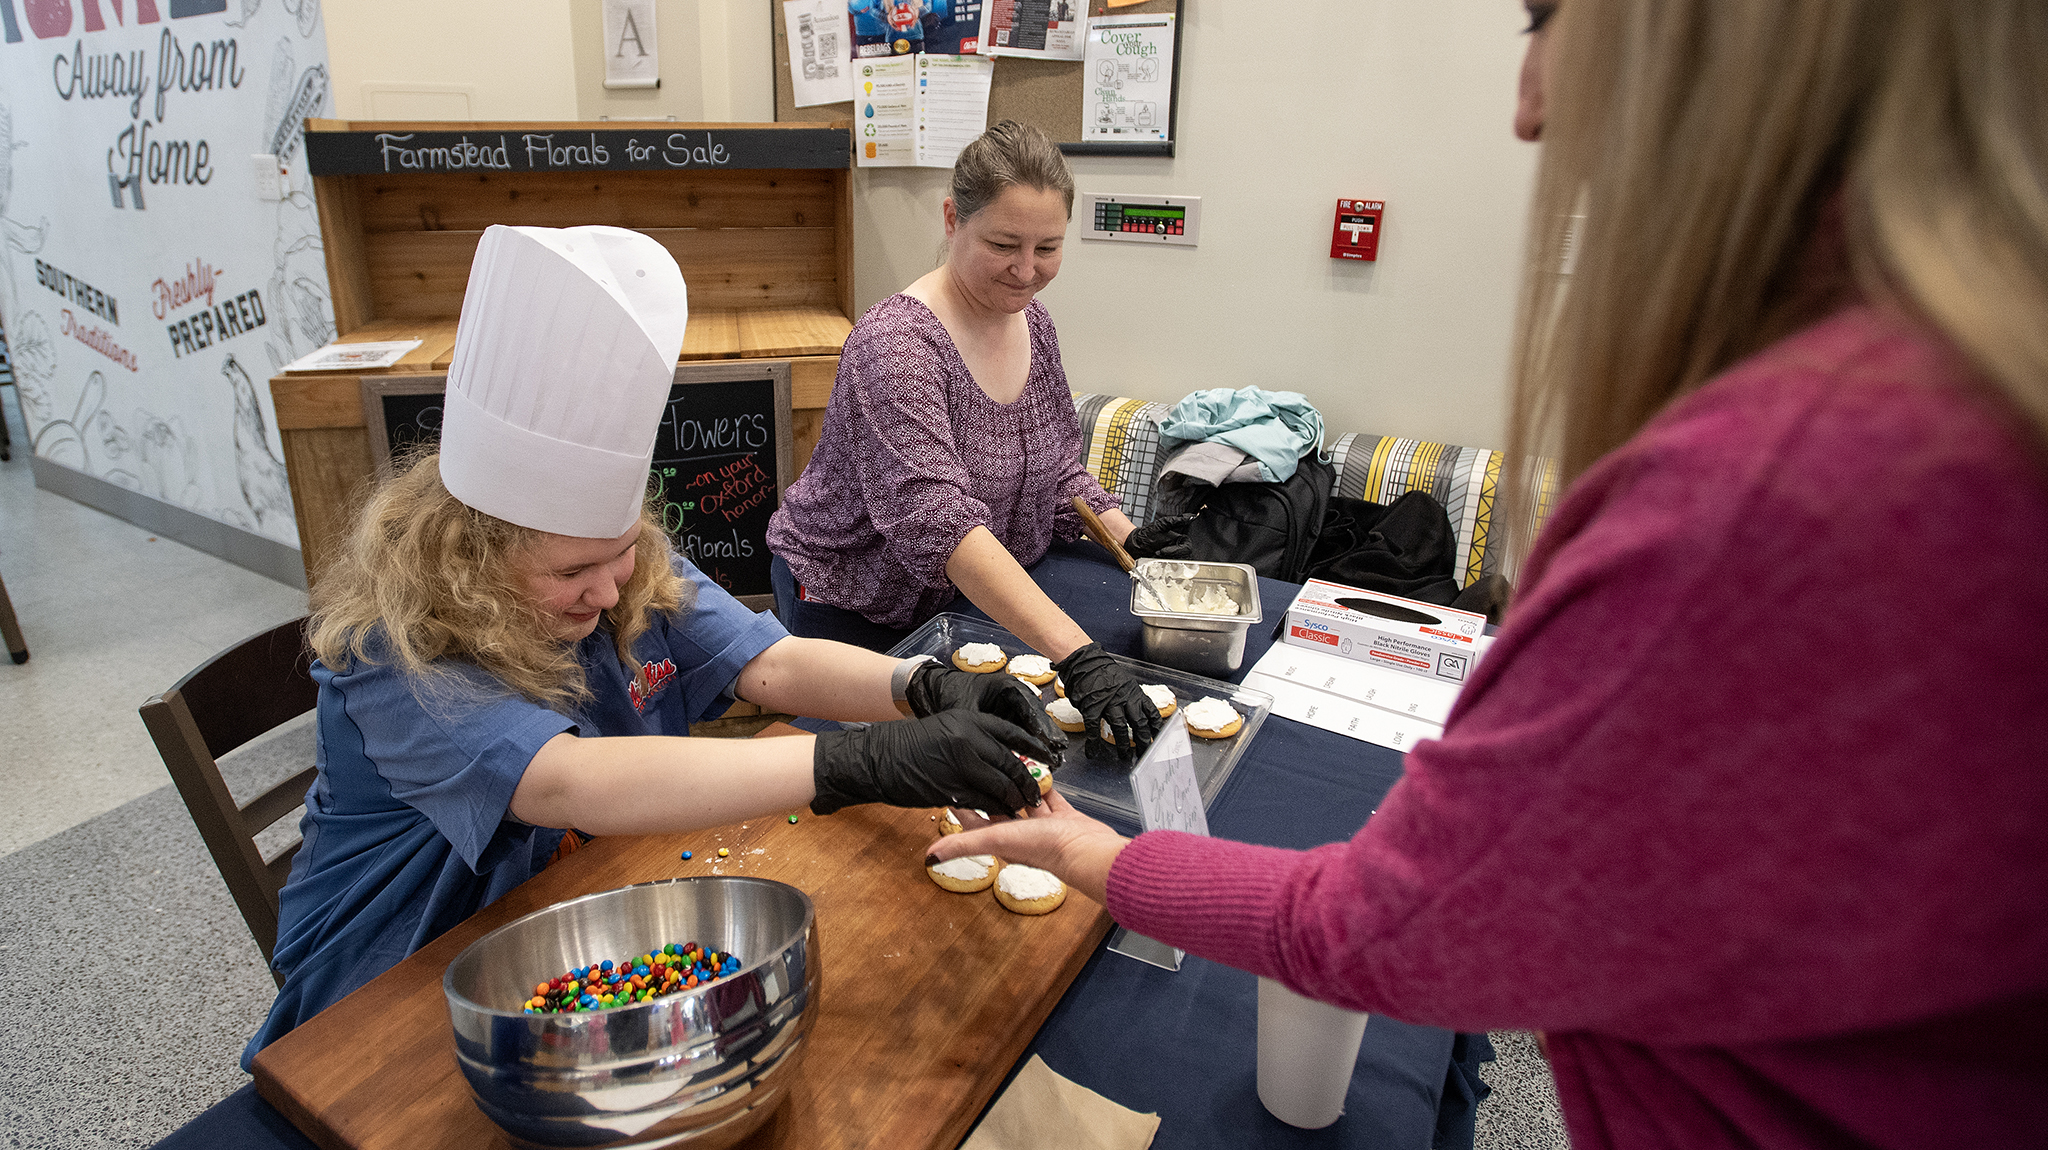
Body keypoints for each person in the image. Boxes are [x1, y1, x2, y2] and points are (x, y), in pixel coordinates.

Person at [931, 2, 2048, 1145]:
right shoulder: (1954, 393)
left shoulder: (1758, 490)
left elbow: (1387, 924)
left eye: (1541, 15)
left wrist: (1098, 854)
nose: (1523, 109)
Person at [244, 224, 1064, 1065]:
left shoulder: (622, 572)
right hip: (391, 994)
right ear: (471, 560)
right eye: (571, 573)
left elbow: (771, 663)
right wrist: (860, 764)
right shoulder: (400, 656)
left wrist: (922, 686)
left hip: (571, 925)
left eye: (620, 551)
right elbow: (570, 786)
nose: (607, 592)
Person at [767, 121, 1179, 759]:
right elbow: (939, 524)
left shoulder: (1032, 323)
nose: (1026, 271)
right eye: (1005, 243)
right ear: (953, 218)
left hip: (960, 603)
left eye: (1048, 248)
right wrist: (1077, 655)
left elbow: (1058, 468)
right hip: (858, 605)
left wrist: (1127, 534)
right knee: (874, 770)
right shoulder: (899, 346)